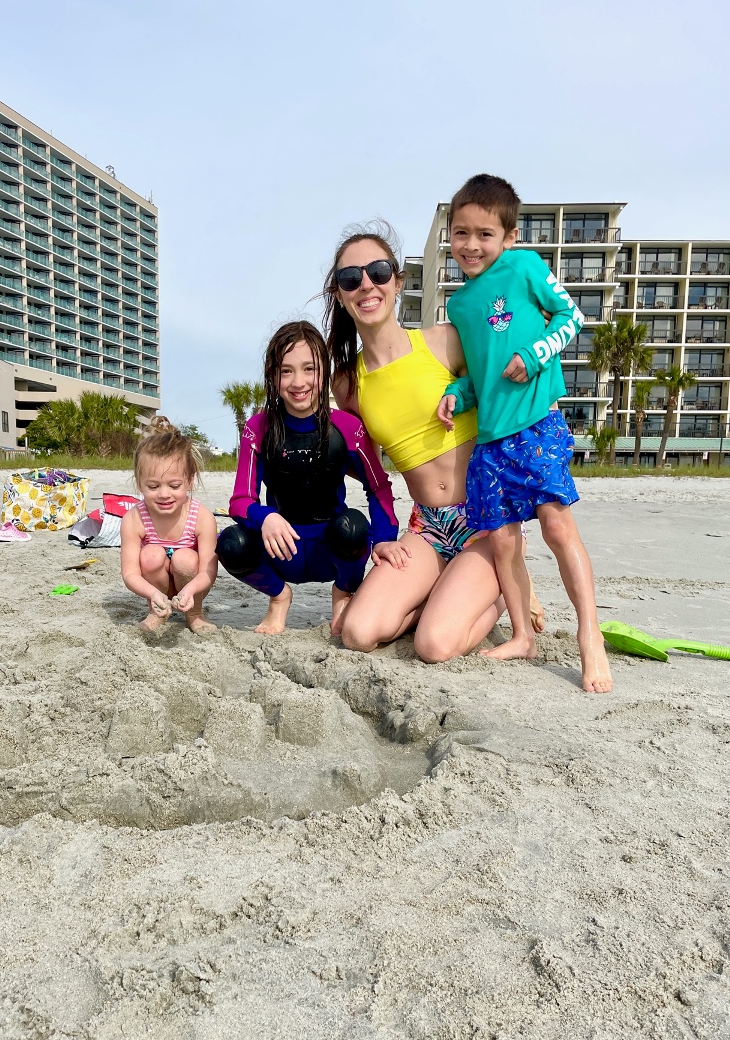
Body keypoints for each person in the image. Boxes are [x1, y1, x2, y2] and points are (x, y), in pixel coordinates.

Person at [324, 223, 542, 662]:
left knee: (434, 646)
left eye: (378, 271)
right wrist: (375, 543)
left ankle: (504, 589)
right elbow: (367, 471)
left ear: (397, 281)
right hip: (427, 526)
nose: (366, 285)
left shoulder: (446, 341)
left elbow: (509, 399)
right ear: (340, 295)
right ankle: (443, 592)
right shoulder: (347, 382)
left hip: (485, 520)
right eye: (350, 278)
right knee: (358, 633)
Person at [436, 173, 612, 693]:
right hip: (490, 441)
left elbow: (571, 317)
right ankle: (522, 635)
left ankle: (589, 633)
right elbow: (481, 372)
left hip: (536, 424)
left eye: (484, 234)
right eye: (461, 233)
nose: (471, 245)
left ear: (509, 236)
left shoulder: (525, 266)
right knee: (503, 541)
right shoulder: (460, 305)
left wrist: (534, 355)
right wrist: (458, 394)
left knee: (556, 526)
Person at [217, 320, 398, 634]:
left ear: (323, 372)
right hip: (280, 548)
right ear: (272, 375)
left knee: (353, 527)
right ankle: (279, 597)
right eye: (286, 371)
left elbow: (378, 487)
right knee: (230, 544)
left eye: (309, 369)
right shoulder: (258, 428)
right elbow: (241, 500)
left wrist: (384, 539)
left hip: (332, 550)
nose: (298, 382)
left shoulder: (347, 427)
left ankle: (343, 594)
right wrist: (266, 517)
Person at [120, 418, 218, 635]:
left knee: (185, 558)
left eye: (174, 486)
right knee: (151, 555)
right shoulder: (134, 518)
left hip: (191, 583)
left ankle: (195, 613)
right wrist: (153, 594)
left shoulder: (202, 517)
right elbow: (130, 573)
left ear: (189, 481)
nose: (164, 494)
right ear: (139, 483)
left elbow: (209, 572)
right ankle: (158, 612)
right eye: (153, 486)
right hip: (156, 586)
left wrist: (190, 590)